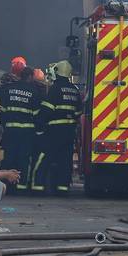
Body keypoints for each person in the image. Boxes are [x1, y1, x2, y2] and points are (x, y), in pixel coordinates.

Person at [30, 60, 81, 195]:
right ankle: (62, 189)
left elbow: (46, 111)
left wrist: (39, 126)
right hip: (69, 133)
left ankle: (38, 188)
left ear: (57, 72)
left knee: (43, 158)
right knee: (65, 161)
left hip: (54, 132)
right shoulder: (74, 90)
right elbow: (78, 113)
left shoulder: (55, 89)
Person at [0, 66, 40, 193]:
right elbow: (37, 113)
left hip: (10, 130)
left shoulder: (8, 89)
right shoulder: (33, 91)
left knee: (8, 157)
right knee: (23, 158)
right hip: (27, 132)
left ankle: (7, 185)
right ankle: (22, 186)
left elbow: (2, 112)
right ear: (29, 77)